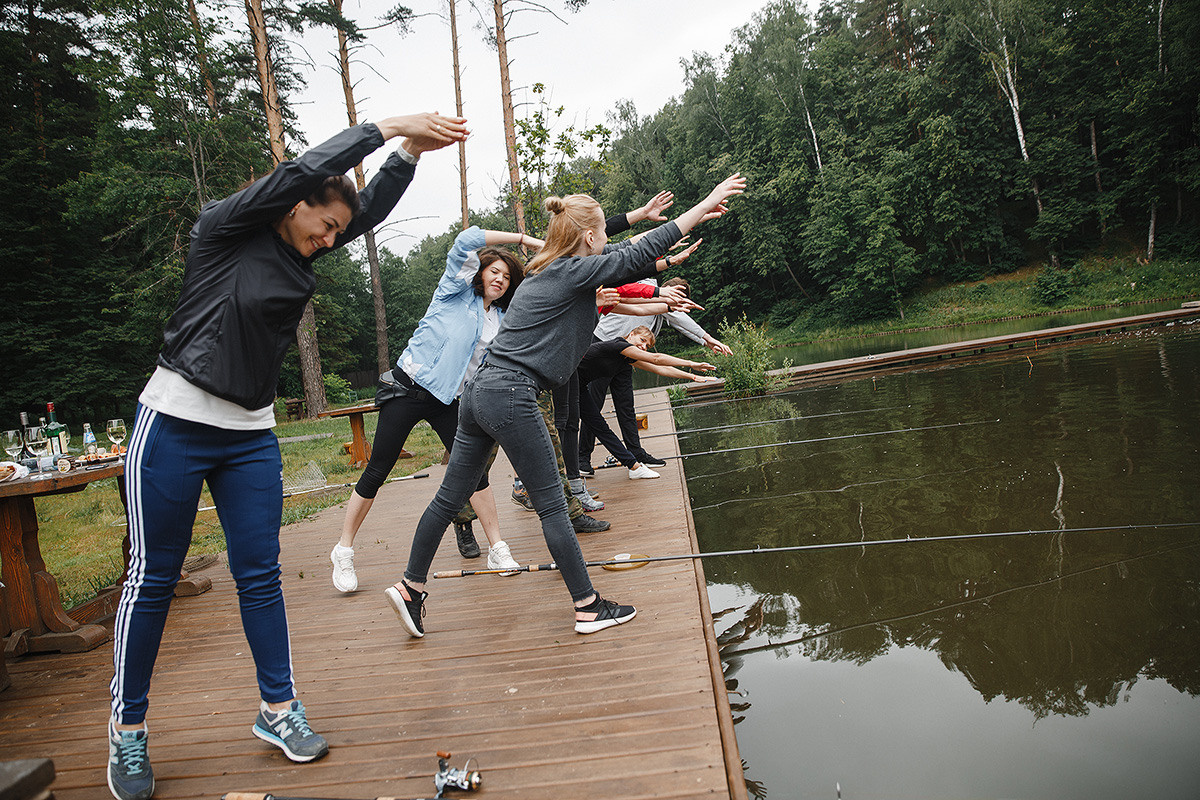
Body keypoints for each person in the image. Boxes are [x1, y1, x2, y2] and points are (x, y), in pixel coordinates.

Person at [106, 112, 467, 800]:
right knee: (151, 580)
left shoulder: (297, 249)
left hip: (248, 435)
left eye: (336, 232)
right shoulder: (224, 231)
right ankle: (128, 732)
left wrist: (409, 159)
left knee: (261, 574)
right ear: (292, 205)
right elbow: (303, 172)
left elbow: (356, 214)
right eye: (323, 226)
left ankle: (278, 709)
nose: (331, 240)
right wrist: (385, 128)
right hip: (175, 422)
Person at [384, 172, 746, 639]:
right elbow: (635, 252)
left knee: (449, 497)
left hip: (478, 394)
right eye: (599, 234)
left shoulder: (548, 268)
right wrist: (705, 201)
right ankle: (589, 606)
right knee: (553, 504)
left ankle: (411, 588)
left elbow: (626, 253)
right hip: (512, 393)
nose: (605, 243)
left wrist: (662, 221)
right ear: (588, 237)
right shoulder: (573, 272)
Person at [330, 228, 536, 593]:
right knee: (378, 469)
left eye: (507, 277)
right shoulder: (453, 293)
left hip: (449, 401)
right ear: (480, 272)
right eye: (494, 272)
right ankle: (343, 550)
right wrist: (521, 238)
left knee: (475, 472)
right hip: (407, 390)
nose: (500, 280)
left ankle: (497, 548)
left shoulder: (502, 319)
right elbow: (467, 239)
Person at [580, 274, 732, 474]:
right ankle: (582, 459)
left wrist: (704, 345)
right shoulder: (650, 289)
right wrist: (708, 339)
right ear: (669, 290)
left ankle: (636, 453)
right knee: (594, 404)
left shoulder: (663, 309)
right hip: (603, 346)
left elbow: (679, 322)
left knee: (626, 406)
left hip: (628, 354)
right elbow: (659, 354)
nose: (679, 305)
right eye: (679, 299)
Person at [576, 325, 718, 476]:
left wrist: (693, 377)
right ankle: (580, 468)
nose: (643, 347)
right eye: (642, 340)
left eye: (647, 346)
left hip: (578, 386)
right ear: (631, 334)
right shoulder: (619, 345)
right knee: (575, 426)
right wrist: (692, 364)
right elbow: (656, 359)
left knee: (600, 427)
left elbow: (659, 369)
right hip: (568, 383)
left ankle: (633, 466)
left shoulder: (625, 357)